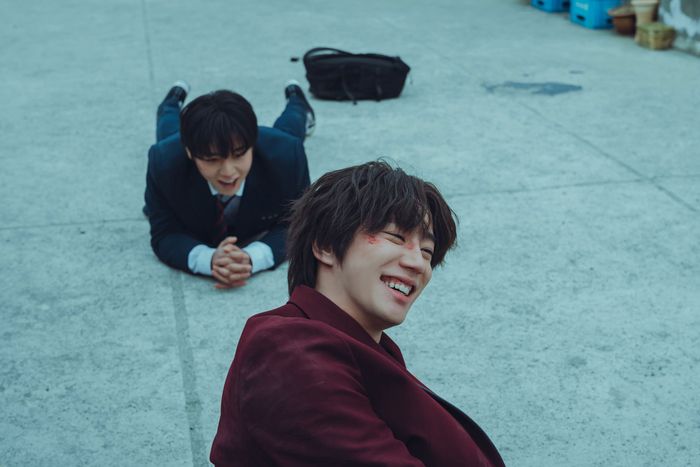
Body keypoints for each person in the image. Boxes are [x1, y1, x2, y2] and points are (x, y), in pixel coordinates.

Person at [210, 161, 505, 466]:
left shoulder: (360, 346)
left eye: (427, 252)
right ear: (325, 245)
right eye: (396, 237)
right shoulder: (288, 350)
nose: (419, 263)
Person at [144, 80, 313, 289]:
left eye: (239, 155)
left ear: (253, 145)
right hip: (177, 150)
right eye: (212, 159)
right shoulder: (164, 161)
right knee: (168, 129)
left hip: (275, 146)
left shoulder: (287, 155)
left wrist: (252, 258)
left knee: (290, 126)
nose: (228, 172)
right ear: (189, 152)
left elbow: (299, 224)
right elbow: (164, 233)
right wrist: (208, 260)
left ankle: (297, 101)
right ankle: (171, 102)